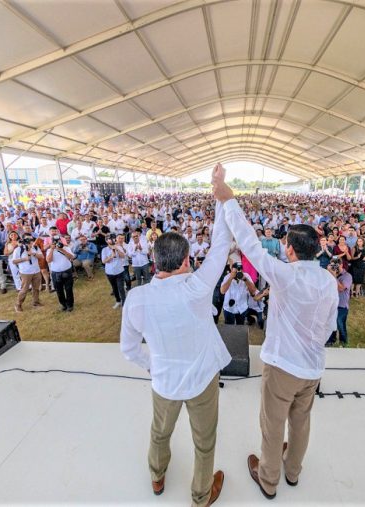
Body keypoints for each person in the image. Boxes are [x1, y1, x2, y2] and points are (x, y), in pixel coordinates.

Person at [212, 167, 338, 501]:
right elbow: (329, 326)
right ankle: (293, 471)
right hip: (313, 367)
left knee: (272, 425)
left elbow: (251, 246)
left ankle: (268, 480)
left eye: (285, 244)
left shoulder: (285, 275)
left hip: (283, 366)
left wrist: (229, 200)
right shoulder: (328, 281)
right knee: (301, 422)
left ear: (291, 250)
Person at [120, 164, 232, 507]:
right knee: (205, 443)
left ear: (155, 262)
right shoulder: (198, 287)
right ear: (186, 260)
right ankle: (201, 496)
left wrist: (152, 365)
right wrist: (220, 196)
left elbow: (128, 349)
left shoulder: (136, 298)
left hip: (164, 381)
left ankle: (157, 476)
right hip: (201, 380)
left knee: (159, 432)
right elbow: (221, 244)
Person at [11, 234, 44, 312]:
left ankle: (36, 302)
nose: (30, 242)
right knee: (24, 289)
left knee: (36, 288)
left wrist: (33, 253)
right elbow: (14, 261)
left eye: (31, 240)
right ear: (23, 240)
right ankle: (18, 304)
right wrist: (25, 259)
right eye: (27, 240)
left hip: (36, 271)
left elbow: (42, 256)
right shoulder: (18, 249)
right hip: (25, 272)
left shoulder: (35, 247)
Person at [325, 258, 352, 346]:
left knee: (340, 323)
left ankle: (343, 342)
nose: (334, 267)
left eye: (336, 265)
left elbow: (341, 288)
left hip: (342, 305)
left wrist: (333, 276)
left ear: (341, 265)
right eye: (332, 265)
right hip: (331, 304)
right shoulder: (328, 275)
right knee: (330, 323)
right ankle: (330, 341)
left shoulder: (347, 276)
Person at [46, 234, 76, 312]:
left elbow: (72, 257)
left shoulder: (66, 248)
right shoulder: (49, 250)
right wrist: (52, 249)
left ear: (61, 240)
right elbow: (48, 260)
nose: (56, 242)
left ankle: (70, 305)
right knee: (59, 290)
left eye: (58, 241)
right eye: (54, 241)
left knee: (68, 289)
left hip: (67, 271)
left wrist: (62, 250)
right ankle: (63, 304)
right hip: (56, 273)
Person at [102, 234, 127, 309]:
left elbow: (123, 256)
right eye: (110, 239)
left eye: (113, 238)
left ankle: (124, 302)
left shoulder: (118, 247)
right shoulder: (104, 250)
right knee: (114, 288)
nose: (112, 240)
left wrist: (117, 249)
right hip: (110, 272)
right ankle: (118, 301)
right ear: (107, 241)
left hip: (119, 271)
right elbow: (104, 261)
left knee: (121, 288)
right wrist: (111, 256)